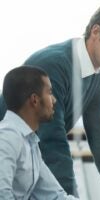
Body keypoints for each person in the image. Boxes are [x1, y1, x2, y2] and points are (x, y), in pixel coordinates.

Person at [0, 2, 100, 200]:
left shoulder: (99, 72)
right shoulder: (54, 64)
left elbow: (99, 130)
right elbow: (53, 140)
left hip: (32, 154)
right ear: (95, 31)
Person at [0, 66, 78, 199]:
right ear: (35, 99)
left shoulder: (29, 141)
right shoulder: (7, 137)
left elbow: (55, 196)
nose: (54, 100)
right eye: (50, 92)